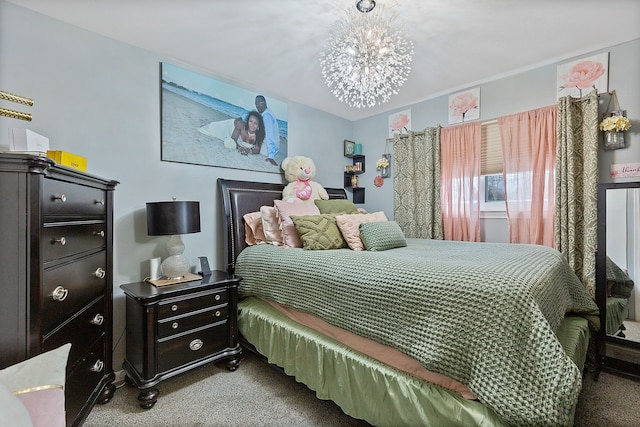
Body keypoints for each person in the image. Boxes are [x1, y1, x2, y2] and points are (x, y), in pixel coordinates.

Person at [199, 110, 264, 155]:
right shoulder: (241, 125)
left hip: (236, 131)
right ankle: (208, 125)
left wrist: (248, 150)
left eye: (255, 123)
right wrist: (239, 148)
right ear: (247, 121)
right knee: (213, 128)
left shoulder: (260, 135)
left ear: (258, 126)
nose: (252, 125)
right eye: (251, 121)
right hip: (230, 128)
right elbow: (233, 140)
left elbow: (257, 150)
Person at [254, 95, 279, 165]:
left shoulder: (267, 116)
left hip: (269, 149)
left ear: (265, 103)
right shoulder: (265, 112)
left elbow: (269, 135)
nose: (257, 105)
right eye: (256, 103)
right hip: (273, 146)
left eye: (259, 103)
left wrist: (271, 156)